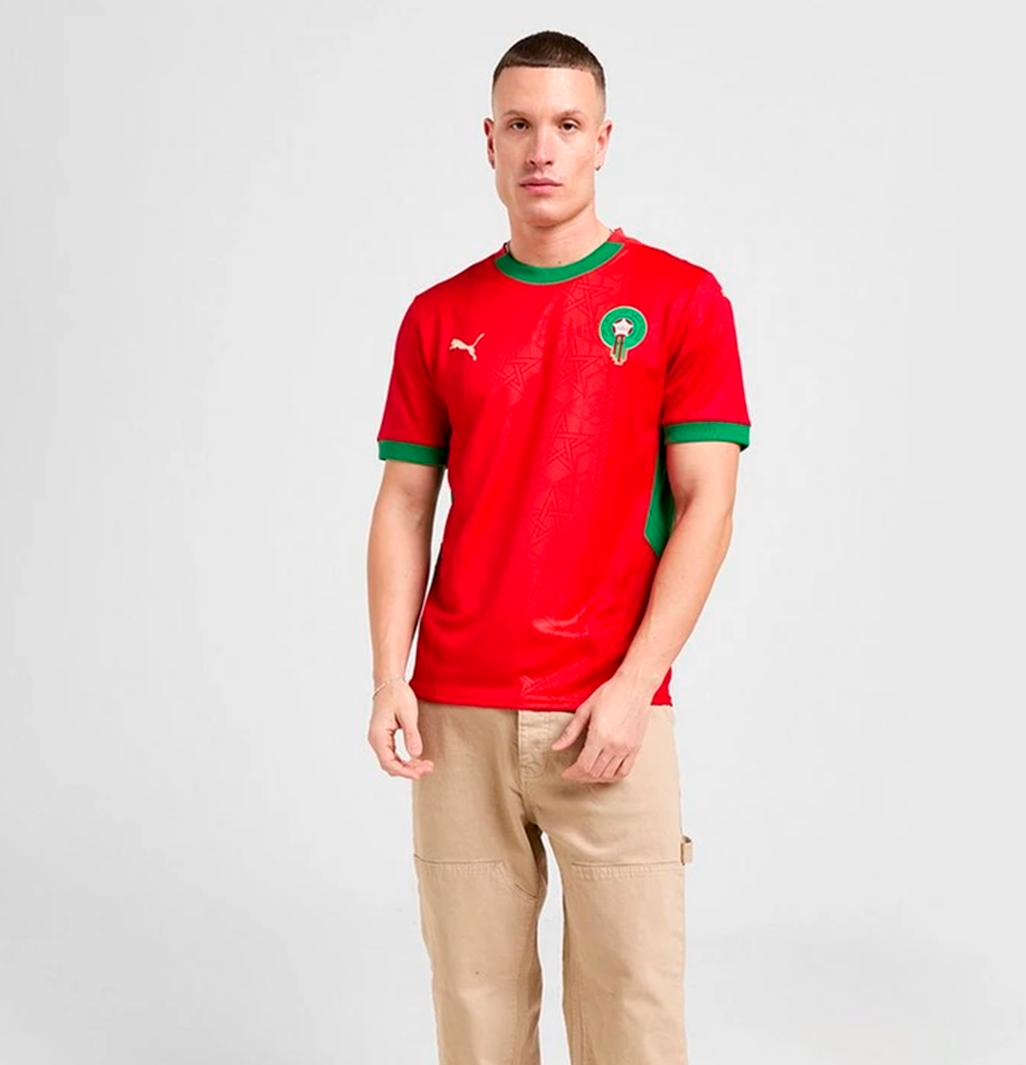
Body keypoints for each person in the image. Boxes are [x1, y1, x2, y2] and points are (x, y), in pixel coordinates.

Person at [366, 28, 751, 1065]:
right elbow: (404, 502)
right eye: (521, 125)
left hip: (608, 711)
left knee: (633, 1012)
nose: (543, 148)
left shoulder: (680, 300)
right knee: (475, 1011)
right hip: (457, 713)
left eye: (567, 125)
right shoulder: (437, 316)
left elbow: (708, 506)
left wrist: (634, 683)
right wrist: (389, 676)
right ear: (488, 141)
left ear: (602, 141)